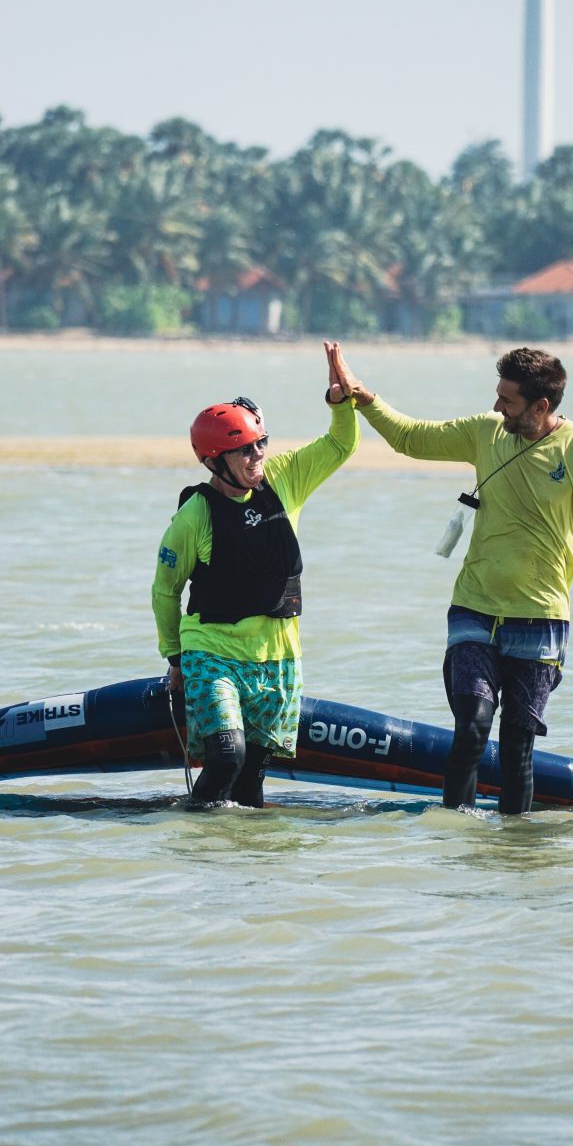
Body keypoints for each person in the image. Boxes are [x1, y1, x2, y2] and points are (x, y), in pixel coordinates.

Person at [331, 344, 573, 815]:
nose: (496, 407)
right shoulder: (486, 433)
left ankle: (514, 851)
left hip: (541, 618)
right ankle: (458, 841)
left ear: (541, 406)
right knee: (470, 728)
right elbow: (411, 438)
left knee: (516, 749)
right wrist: (363, 397)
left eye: (507, 400)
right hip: (474, 608)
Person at [152, 343, 358, 807]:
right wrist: (175, 657)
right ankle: (192, 839)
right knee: (227, 758)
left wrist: (339, 402)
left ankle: (244, 867)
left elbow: (341, 444)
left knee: (251, 783)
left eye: (260, 444)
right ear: (213, 460)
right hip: (213, 654)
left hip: (278, 657)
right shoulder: (194, 516)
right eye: (242, 450)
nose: (256, 456)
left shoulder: (283, 480)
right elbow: (165, 590)